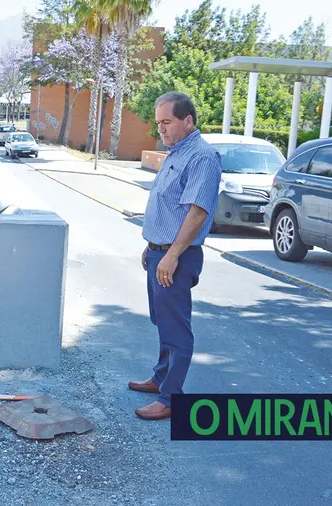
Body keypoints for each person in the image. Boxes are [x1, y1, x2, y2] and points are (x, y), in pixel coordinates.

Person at [128, 91, 222, 421]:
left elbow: (197, 212)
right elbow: (168, 209)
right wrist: (152, 245)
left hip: (177, 258)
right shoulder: (175, 153)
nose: (161, 130)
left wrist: (170, 255)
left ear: (188, 120)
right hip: (161, 252)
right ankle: (159, 378)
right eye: (158, 123)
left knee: (177, 329)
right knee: (163, 321)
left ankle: (171, 397)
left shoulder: (202, 157)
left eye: (167, 122)